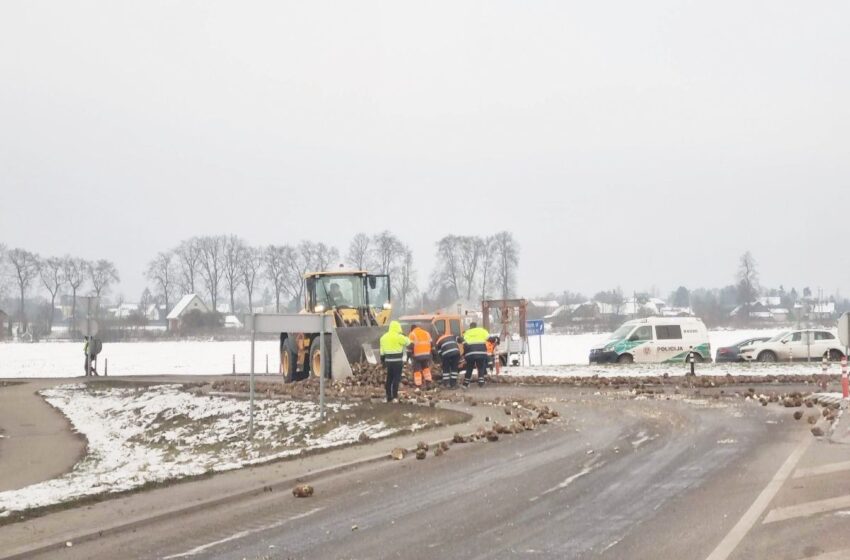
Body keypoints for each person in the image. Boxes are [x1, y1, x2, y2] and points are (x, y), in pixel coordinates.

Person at [380, 321, 409, 402]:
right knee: (396, 378)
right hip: (397, 361)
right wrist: (404, 335)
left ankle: (388, 396)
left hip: (388, 361)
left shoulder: (383, 337)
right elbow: (408, 342)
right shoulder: (399, 337)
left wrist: (383, 361)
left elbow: (382, 352)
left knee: (389, 378)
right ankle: (395, 396)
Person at [461, 322, 490, 388]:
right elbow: (489, 338)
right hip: (481, 353)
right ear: (476, 326)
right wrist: (496, 339)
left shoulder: (466, 332)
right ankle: (481, 382)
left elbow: (463, 343)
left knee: (469, 368)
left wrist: (464, 354)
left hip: (470, 353)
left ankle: (466, 383)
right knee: (480, 367)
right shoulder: (482, 330)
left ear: (470, 327)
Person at [407, 323, 433, 388]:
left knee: (417, 370)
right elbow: (432, 344)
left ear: (412, 329)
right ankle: (428, 382)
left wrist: (408, 356)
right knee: (426, 368)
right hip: (426, 355)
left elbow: (411, 346)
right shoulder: (426, 333)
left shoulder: (412, 334)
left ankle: (418, 385)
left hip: (417, 356)